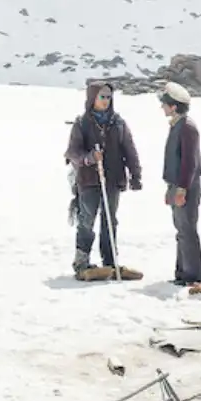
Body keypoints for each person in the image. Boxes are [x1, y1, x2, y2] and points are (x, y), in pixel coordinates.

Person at [64, 81, 143, 280]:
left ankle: (110, 260)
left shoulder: (118, 122)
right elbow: (72, 152)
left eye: (109, 97)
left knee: (110, 221)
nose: (106, 101)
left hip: (113, 179)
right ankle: (81, 261)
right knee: (87, 219)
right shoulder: (82, 123)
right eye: (102, 96)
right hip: (89, 180)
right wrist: (89, 158)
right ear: (92, 98)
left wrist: (135, 174)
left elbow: (129, 149)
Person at [159, 82, 201, 285]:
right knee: (182, 231)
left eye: (165, 103)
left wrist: (181, 188)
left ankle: (192, 276)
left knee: (187, 230)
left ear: (174, 106)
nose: (162, 107)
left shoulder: (186, 127)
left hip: (185, 187)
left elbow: (190, 162)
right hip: (177, 185)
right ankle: (182, 273)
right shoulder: (179, 125)